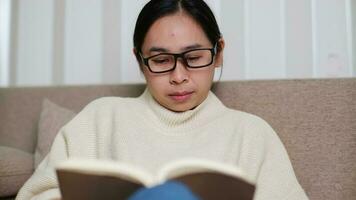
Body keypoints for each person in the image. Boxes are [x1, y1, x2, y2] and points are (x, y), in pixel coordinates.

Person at [16, 0, 308, 199]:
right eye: (160, 60)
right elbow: (35, 194)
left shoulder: (251, 134)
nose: (178, 76)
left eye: (193, 58)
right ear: (140, 61)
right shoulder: (101, 118)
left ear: (218, 53)